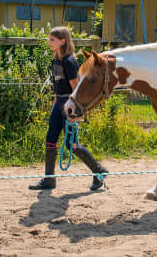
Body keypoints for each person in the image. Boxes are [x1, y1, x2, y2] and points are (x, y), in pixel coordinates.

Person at [28, 27, 108, 191]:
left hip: (69, 105)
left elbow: (75, 88)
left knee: (71, 145)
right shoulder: (56, 58)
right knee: (50, 140)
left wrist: (74, 113)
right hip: (59, 104)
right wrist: (55, 104)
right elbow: (58, 85)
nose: (49, 42)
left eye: (52, 39)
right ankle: (49, 179)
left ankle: (98, 171)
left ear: (62, 41)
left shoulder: (70, 61)